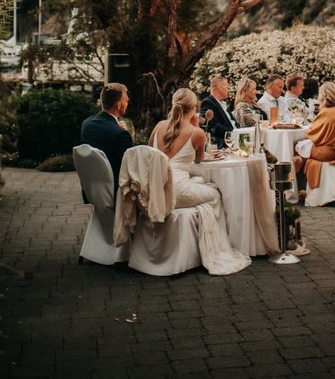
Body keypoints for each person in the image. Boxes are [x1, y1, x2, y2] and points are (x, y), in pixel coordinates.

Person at [149, 89, 250, 275]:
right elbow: (198, 160)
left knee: (201, 184)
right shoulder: (196, 132)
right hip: (178, 193)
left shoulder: (159, 126)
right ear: (194, 108)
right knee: (216, 194)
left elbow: (149, 155)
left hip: (155, 190)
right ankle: (215, 249)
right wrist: (195, 127)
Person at [294, 81, 335, 191]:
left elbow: (313, 135)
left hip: (331, 152)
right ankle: (303, 185)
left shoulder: (327, 112)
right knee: (304, 149)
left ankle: (298, 184)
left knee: (298, 145)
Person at [80, 82, 133, 195]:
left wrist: (116, 127)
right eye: (126, 101)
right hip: (115, 191)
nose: (127, 103)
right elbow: (130, 167)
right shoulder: (121, 135)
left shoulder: (86, 123)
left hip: (91, 189)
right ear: (118, 105)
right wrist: (124, 133)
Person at [200, 75, 236, 148]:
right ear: (220, 87)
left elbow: (233, 122)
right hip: (224, 144)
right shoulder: (207, 102)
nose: (229, 90)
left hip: (236, 139)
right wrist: (233, 133)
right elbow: (212, 126)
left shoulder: (223, 104)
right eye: (227, 87)